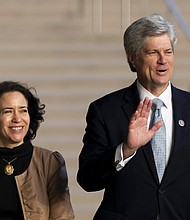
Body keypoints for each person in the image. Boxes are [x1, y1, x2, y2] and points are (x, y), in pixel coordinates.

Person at [77, 14, 190, 220]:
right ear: (132, 57)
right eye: (153, 52)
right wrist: (126, 150)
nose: (163, 60)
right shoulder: (104, 110)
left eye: (168, 52)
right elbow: (87, 179)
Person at [0, 81, 75, 220]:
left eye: (23, 110)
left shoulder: (49, 162)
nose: (17, 119)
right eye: (8, 111)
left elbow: (62, 216)